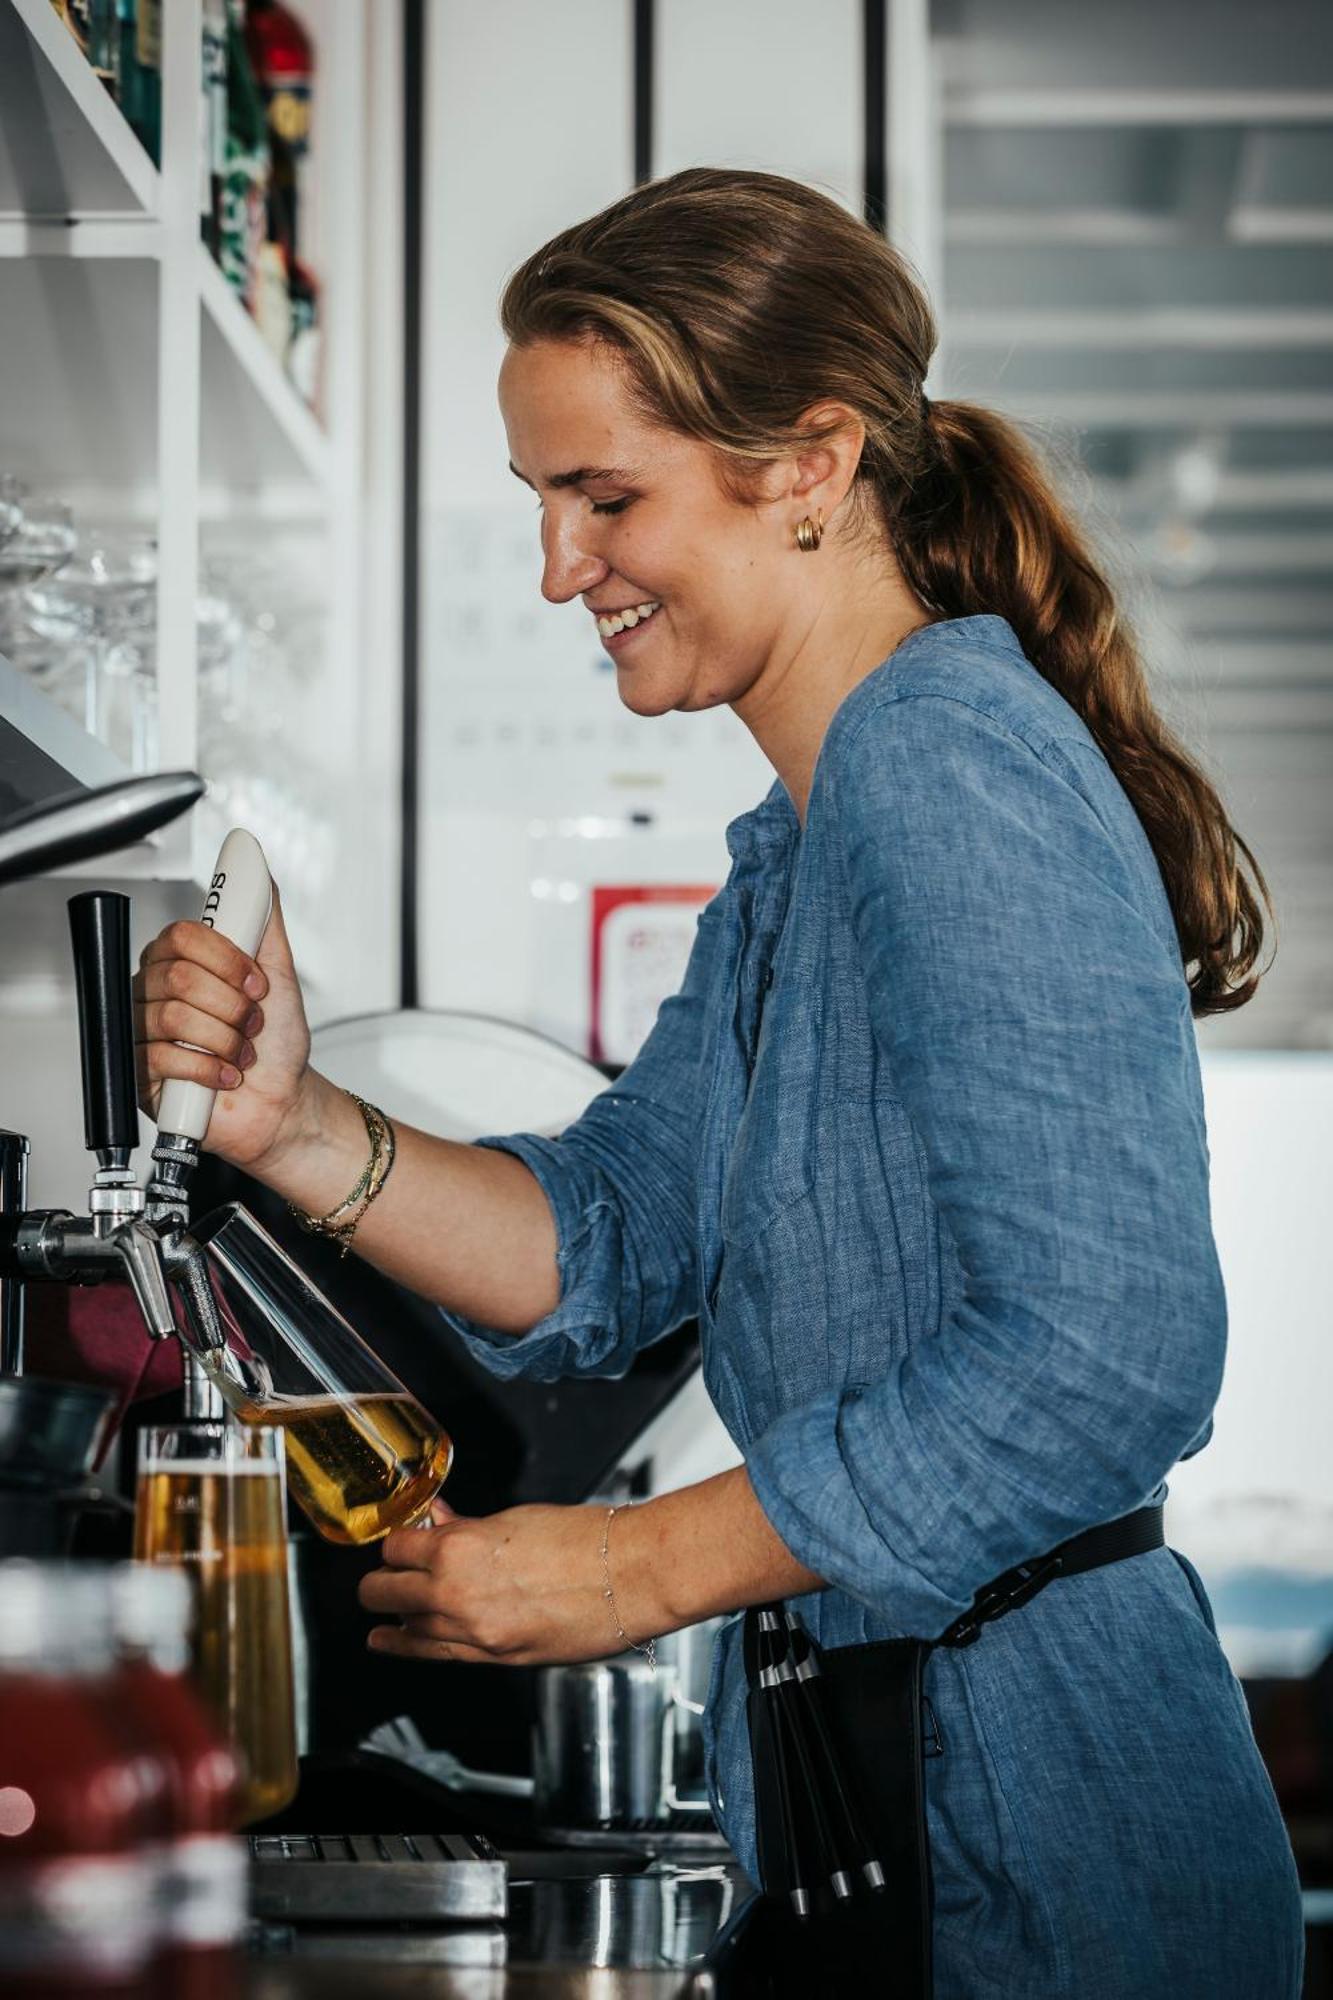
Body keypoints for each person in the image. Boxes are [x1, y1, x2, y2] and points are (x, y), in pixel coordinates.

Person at [134, 168, 1303, 1995]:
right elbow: (607, 1240)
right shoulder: (801, 841)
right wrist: (292, 1121)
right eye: (543, 503)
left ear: (811, 463)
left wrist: (627, 1573)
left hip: (1047, 1828)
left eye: (606, 498)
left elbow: (1105, 1354)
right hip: (880, 1784)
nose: (556, 569)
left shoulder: (947, 766)